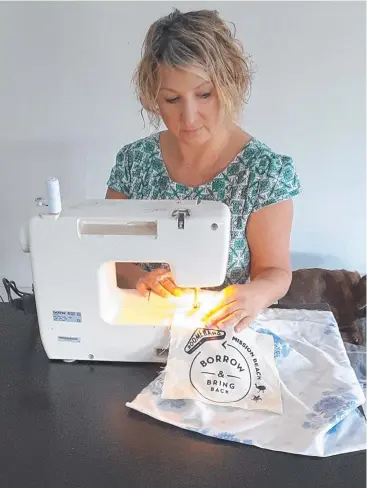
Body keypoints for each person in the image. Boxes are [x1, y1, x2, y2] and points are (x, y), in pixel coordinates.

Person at [106, 9, 301, 333]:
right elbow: (109, 254)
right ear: (154, 96)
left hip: (222, 331)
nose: (189, 117)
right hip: (142, 328)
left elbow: (276, 272)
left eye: (204, 94)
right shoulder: (134, 162)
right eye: (172, 99)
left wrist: (253, 295)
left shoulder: (264, 173)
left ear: (230, 83)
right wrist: (139, 278)